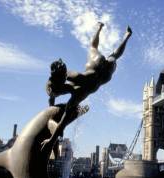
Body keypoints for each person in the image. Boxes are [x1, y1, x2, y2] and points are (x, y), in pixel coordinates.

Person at [41, 22, 132, 150]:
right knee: (97, 48)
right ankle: (106, 29)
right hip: (95, 67)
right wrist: (51, 107)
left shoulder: (77, 92)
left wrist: (51, 141)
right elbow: (54, 93)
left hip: (102, 75)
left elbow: (62, 123)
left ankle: (125, 36)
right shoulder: (69, 76)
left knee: (112, 56)